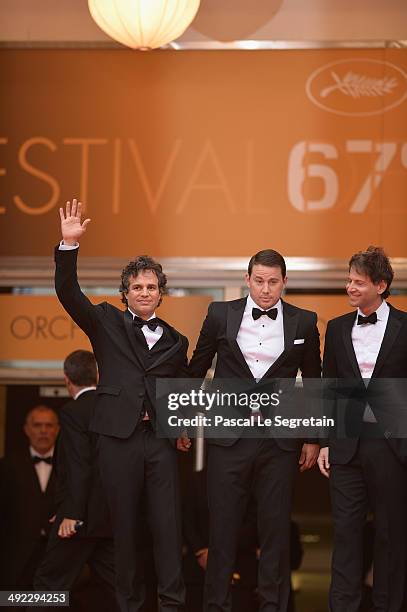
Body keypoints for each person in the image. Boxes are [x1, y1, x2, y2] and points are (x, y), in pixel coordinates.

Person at [54, 199, 189, 612]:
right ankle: (129, 605)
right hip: (116, 439)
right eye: (137, 287)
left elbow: (179, 388)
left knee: (168, 527)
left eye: (151, 287)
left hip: (159, 441)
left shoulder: (177, 341)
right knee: (124, 530)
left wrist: (181, 425)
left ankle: (172, 605)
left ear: (161, 294)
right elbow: (68, 293)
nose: (144, 292)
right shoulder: (105, 321)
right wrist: (68, 245)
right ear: (125, 293)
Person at [188, 248, 321, 612]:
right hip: (228, 438)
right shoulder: (219, 314)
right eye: (259, 281)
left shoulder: (304, 322)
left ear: (285, 282)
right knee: (223, 532)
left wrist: (313, 437)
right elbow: (197, 368)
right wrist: (178, 422)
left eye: (273, 282)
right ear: (247, 280)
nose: (266, 289)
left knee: (275, 533)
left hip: (279, 442)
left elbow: (313, 382)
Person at [317, 246, 407, 612]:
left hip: (392, 447)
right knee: (346, 535)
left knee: (391, 536)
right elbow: (328, 387)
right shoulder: (337, 328)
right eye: (348, 280)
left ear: (381, 285)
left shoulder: (405, 327)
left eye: (358, 282)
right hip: (346, 446)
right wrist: (323, 441)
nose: (350, 287)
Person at [34, 349, 118, 612]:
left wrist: (70, 512)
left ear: (66, 380)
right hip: (111, 519)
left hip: (78, 522)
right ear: (98, 376)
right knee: (122, 590)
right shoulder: (115, 409)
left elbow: (79, 466)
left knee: (48, 586)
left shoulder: (72, 412)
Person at [0, 405, 59, 588]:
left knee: (53, 605)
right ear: (26, 429)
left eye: (49, 425)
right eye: (37, 425)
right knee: (13, 604)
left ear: (57, 429)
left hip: (57, 557)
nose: (43, 431)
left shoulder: (71, 466)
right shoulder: (7, 466)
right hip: (15, 557)